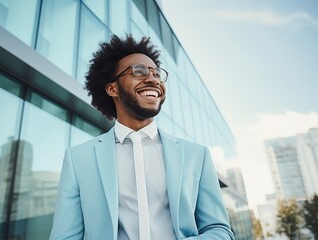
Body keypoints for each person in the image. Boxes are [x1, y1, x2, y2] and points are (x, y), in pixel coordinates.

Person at [49, 35, 234, 240]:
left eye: (157, 74)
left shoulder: (196, 155)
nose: (153, 79)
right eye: (139, 71)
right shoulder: (78, 159)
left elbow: (220, 231)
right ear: (112, 89)